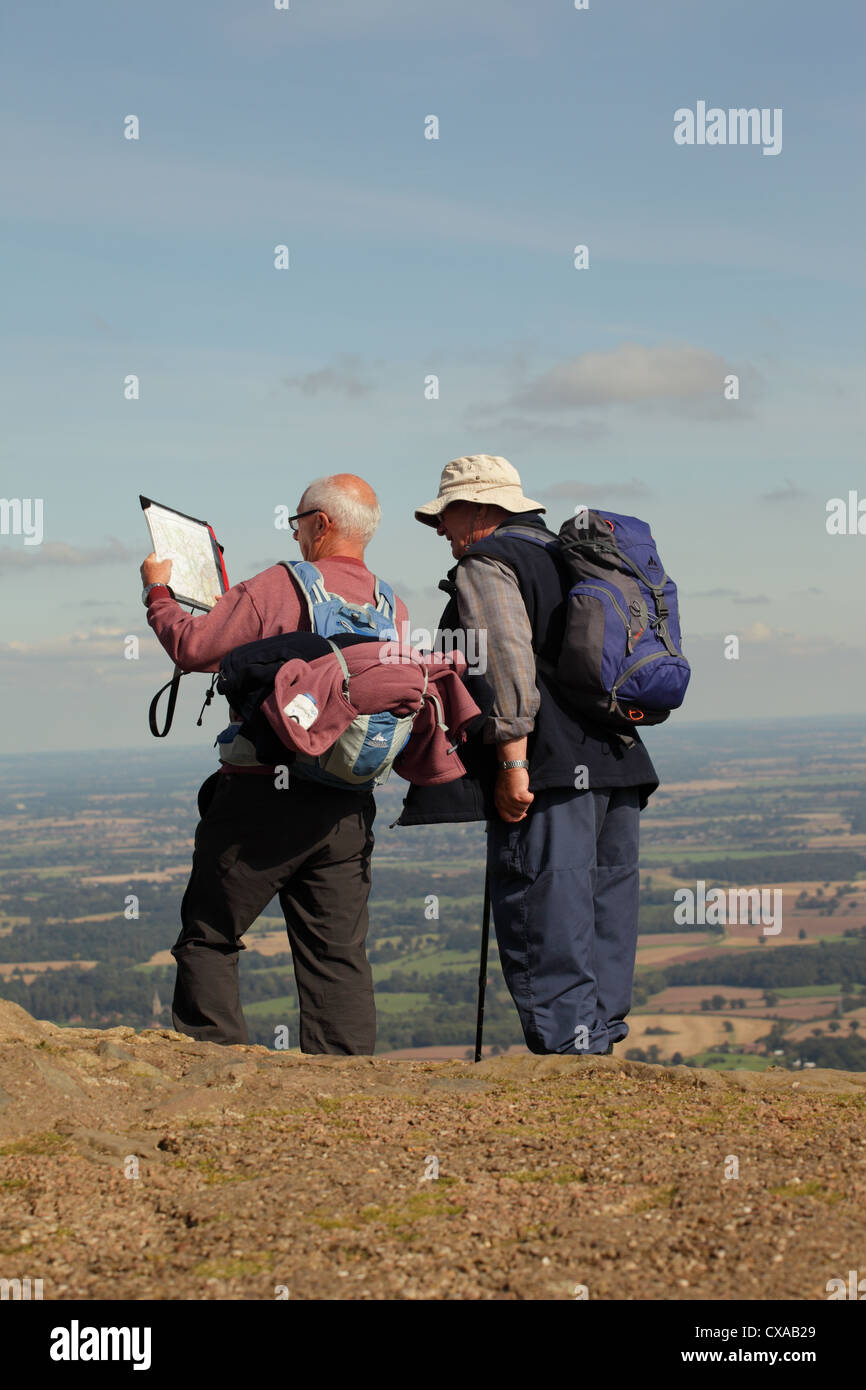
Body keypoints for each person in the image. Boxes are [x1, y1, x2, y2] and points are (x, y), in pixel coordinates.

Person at [139, 474, 409, 1053]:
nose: (296, 533)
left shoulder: (277, 586)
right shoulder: (392, 606)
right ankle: (348, 1092)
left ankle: (216, 1067)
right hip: (346, 804)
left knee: (209, 936)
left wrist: (158, 594)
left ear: (321, 524)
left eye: (297, 521)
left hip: (262, 795)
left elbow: (192, 649)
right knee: (337, 955)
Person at [414, 455, 659, 1056]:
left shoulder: (488, 562)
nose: (441, 529)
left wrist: (511, 765)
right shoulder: (570, 556)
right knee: (605, 918)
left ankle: (569, 1066)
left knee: (547, 918)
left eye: (445, 516)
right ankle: (597, 1051)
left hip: (547, 772)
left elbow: (506, 666)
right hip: (617, 762)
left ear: (476, 509)